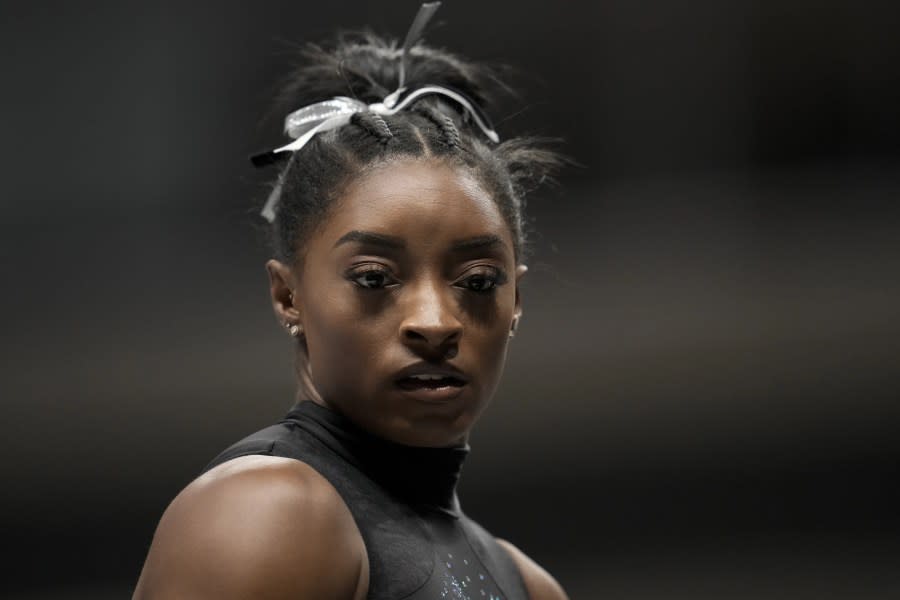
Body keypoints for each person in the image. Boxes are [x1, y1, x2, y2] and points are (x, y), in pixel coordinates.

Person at [133, 3, 567, 599]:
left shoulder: (528, 584)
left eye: (478, 281)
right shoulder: (268, 512)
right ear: (288, 296)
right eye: (373, 278)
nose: (435, 323)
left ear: (516, 299)